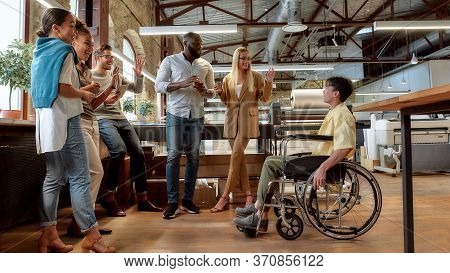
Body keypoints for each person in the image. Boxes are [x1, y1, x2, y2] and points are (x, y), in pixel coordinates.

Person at [31, 8, 114, 252]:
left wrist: (81, 89)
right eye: (70, 26)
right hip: (66, 119)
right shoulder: (65, 51)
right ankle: (92, 236)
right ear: (56, 28)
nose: (73, 31)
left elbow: (52, 87)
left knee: (53, 177)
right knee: (79, 177)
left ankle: (48, 233)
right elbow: (64, 89)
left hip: (46, 120)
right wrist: (85, 93)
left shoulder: (40, 51)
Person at [233, 76, 356, 231]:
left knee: (270, 163)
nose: (323, 91)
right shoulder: (335, 112)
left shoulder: (342, 114)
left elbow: (344, 148)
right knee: (272, 161)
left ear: (336, 94)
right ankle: (260, 211)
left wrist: (323, 168)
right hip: (317, 159)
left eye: (326, 88)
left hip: (321, 163)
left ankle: (259, 213)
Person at [92, 44, 162, 217]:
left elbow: (137, 89)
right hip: (102, 118)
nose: (110, 60)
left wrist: (139, 75)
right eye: (107, 56)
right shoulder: (90, 76)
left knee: (138, 152)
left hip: (121, 118)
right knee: (118, 150)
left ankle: (142, 199)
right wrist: (105, 100)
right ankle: (109, 198)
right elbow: (88, 103)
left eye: (112, 57)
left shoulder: (116, 75)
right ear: (98, 57)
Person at [65, 20, 119, 237]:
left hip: (91, 122)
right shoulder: (68, 65)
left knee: (92, 173)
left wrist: (107, 91)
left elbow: (92, 104)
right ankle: (84, 223)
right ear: (74, 40)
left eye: (91, 44)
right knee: (95, 172)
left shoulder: (83, 69)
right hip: (77, 124)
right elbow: (67, 92)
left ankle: (84, 222)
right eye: (86, 43)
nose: (89, 48)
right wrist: (86, 89)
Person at [155, 32, 215, 219]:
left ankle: (187, 200)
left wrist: (205, 90)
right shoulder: (170, 61)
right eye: (196, 44)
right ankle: (173, 203)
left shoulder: (205, 65)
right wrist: (182, 83)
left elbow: (212, 93)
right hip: (176, 114)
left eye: (201, 44)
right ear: (185, 43)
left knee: (193, 157)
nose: (200, 48)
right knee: (173, 156)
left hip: (196, 115)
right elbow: (159, 86)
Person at [210, 47, 275, 213]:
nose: (246, 61)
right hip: (232, 121)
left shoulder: (256, 77)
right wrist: (220, 93)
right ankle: (248, 195)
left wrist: (269, 83)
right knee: (240, 160)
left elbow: (265, 99)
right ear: (236, 60)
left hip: (248, 121)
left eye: (248, 58)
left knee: (235, 157)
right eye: (243, 58)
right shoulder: (227, 79)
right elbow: (227, 101)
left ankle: (224, 196)